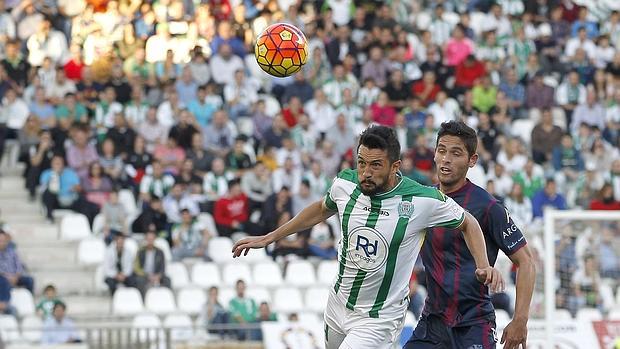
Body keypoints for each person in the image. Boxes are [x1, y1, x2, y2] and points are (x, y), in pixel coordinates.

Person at [233, 125, 503, 349]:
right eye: (361, 163)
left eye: (376, 165)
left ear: (395, 166)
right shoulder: (345, 184)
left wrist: (482, 264)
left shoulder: (422, 199)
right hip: (338, 305)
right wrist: (270, 237)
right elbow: (320, 208)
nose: (366, 172)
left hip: (379, 319)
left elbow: (468, 222)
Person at [403, 121, 536, 349]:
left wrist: (520, 320)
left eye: (456, 153)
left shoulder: (487, 206)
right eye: (442, 150)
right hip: (431, 324)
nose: (446, 159)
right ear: (434, 154)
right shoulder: (423, 201)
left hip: (474, 325)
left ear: (472, 160)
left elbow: (526, 262)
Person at [131, 230, 171, 297]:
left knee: (167, 280)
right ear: (145, 240)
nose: (150, 241)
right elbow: (136, 268)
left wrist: (158, 276)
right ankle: (143, 300)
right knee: (139, 280)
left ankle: (167, 298)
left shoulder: (160, 252)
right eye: (148, 239)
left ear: (154, 240)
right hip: (144, 275)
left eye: (151, 239)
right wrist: (148, 276)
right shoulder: (140, 251)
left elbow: (162, 267)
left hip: (156, 275)